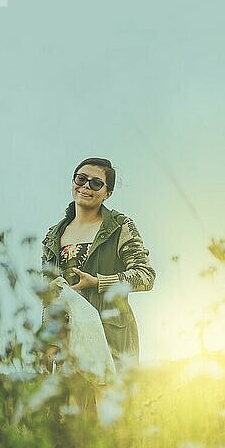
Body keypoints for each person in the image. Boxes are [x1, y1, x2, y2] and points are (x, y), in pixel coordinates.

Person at [41, 157, 155, 371]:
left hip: (111, 337)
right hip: (69, 339)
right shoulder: (53, 236)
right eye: (81, 179)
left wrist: (98, 282)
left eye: (95, 183)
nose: (86, 186)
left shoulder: (119, 227)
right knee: (71, 405)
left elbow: (145, 276)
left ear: (107, 193)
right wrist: (49, 341)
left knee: (110, 404)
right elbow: (49, 295)